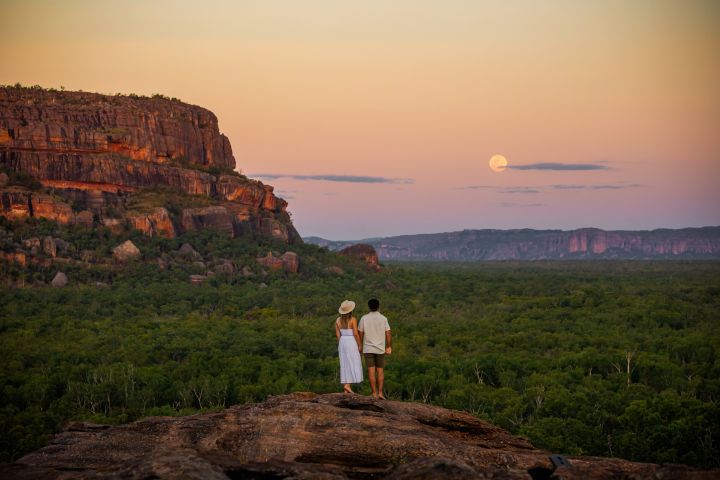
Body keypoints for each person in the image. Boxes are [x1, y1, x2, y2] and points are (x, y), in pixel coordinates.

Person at [358, 298, 392, 399]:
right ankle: (381, 393)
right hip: (380, 349)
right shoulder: (383, 318)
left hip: (368, 349)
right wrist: (389, 346)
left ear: (369, 307)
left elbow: (360, 333)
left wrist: (360, 345)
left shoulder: (364, 318)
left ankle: (374, 393)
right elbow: (388, 333)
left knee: (371, 371)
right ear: (378, 307)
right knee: (380, 371)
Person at [335, 300, 363, 394]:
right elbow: (355, 333)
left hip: (342, 342)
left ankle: (346, 388)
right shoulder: (353, 319)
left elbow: (338, 335)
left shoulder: (338, 320)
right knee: (353, 362)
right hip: (351, 341)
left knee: (344, 363)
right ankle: (347, 385)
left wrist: (340, 345)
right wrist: (360, 344)